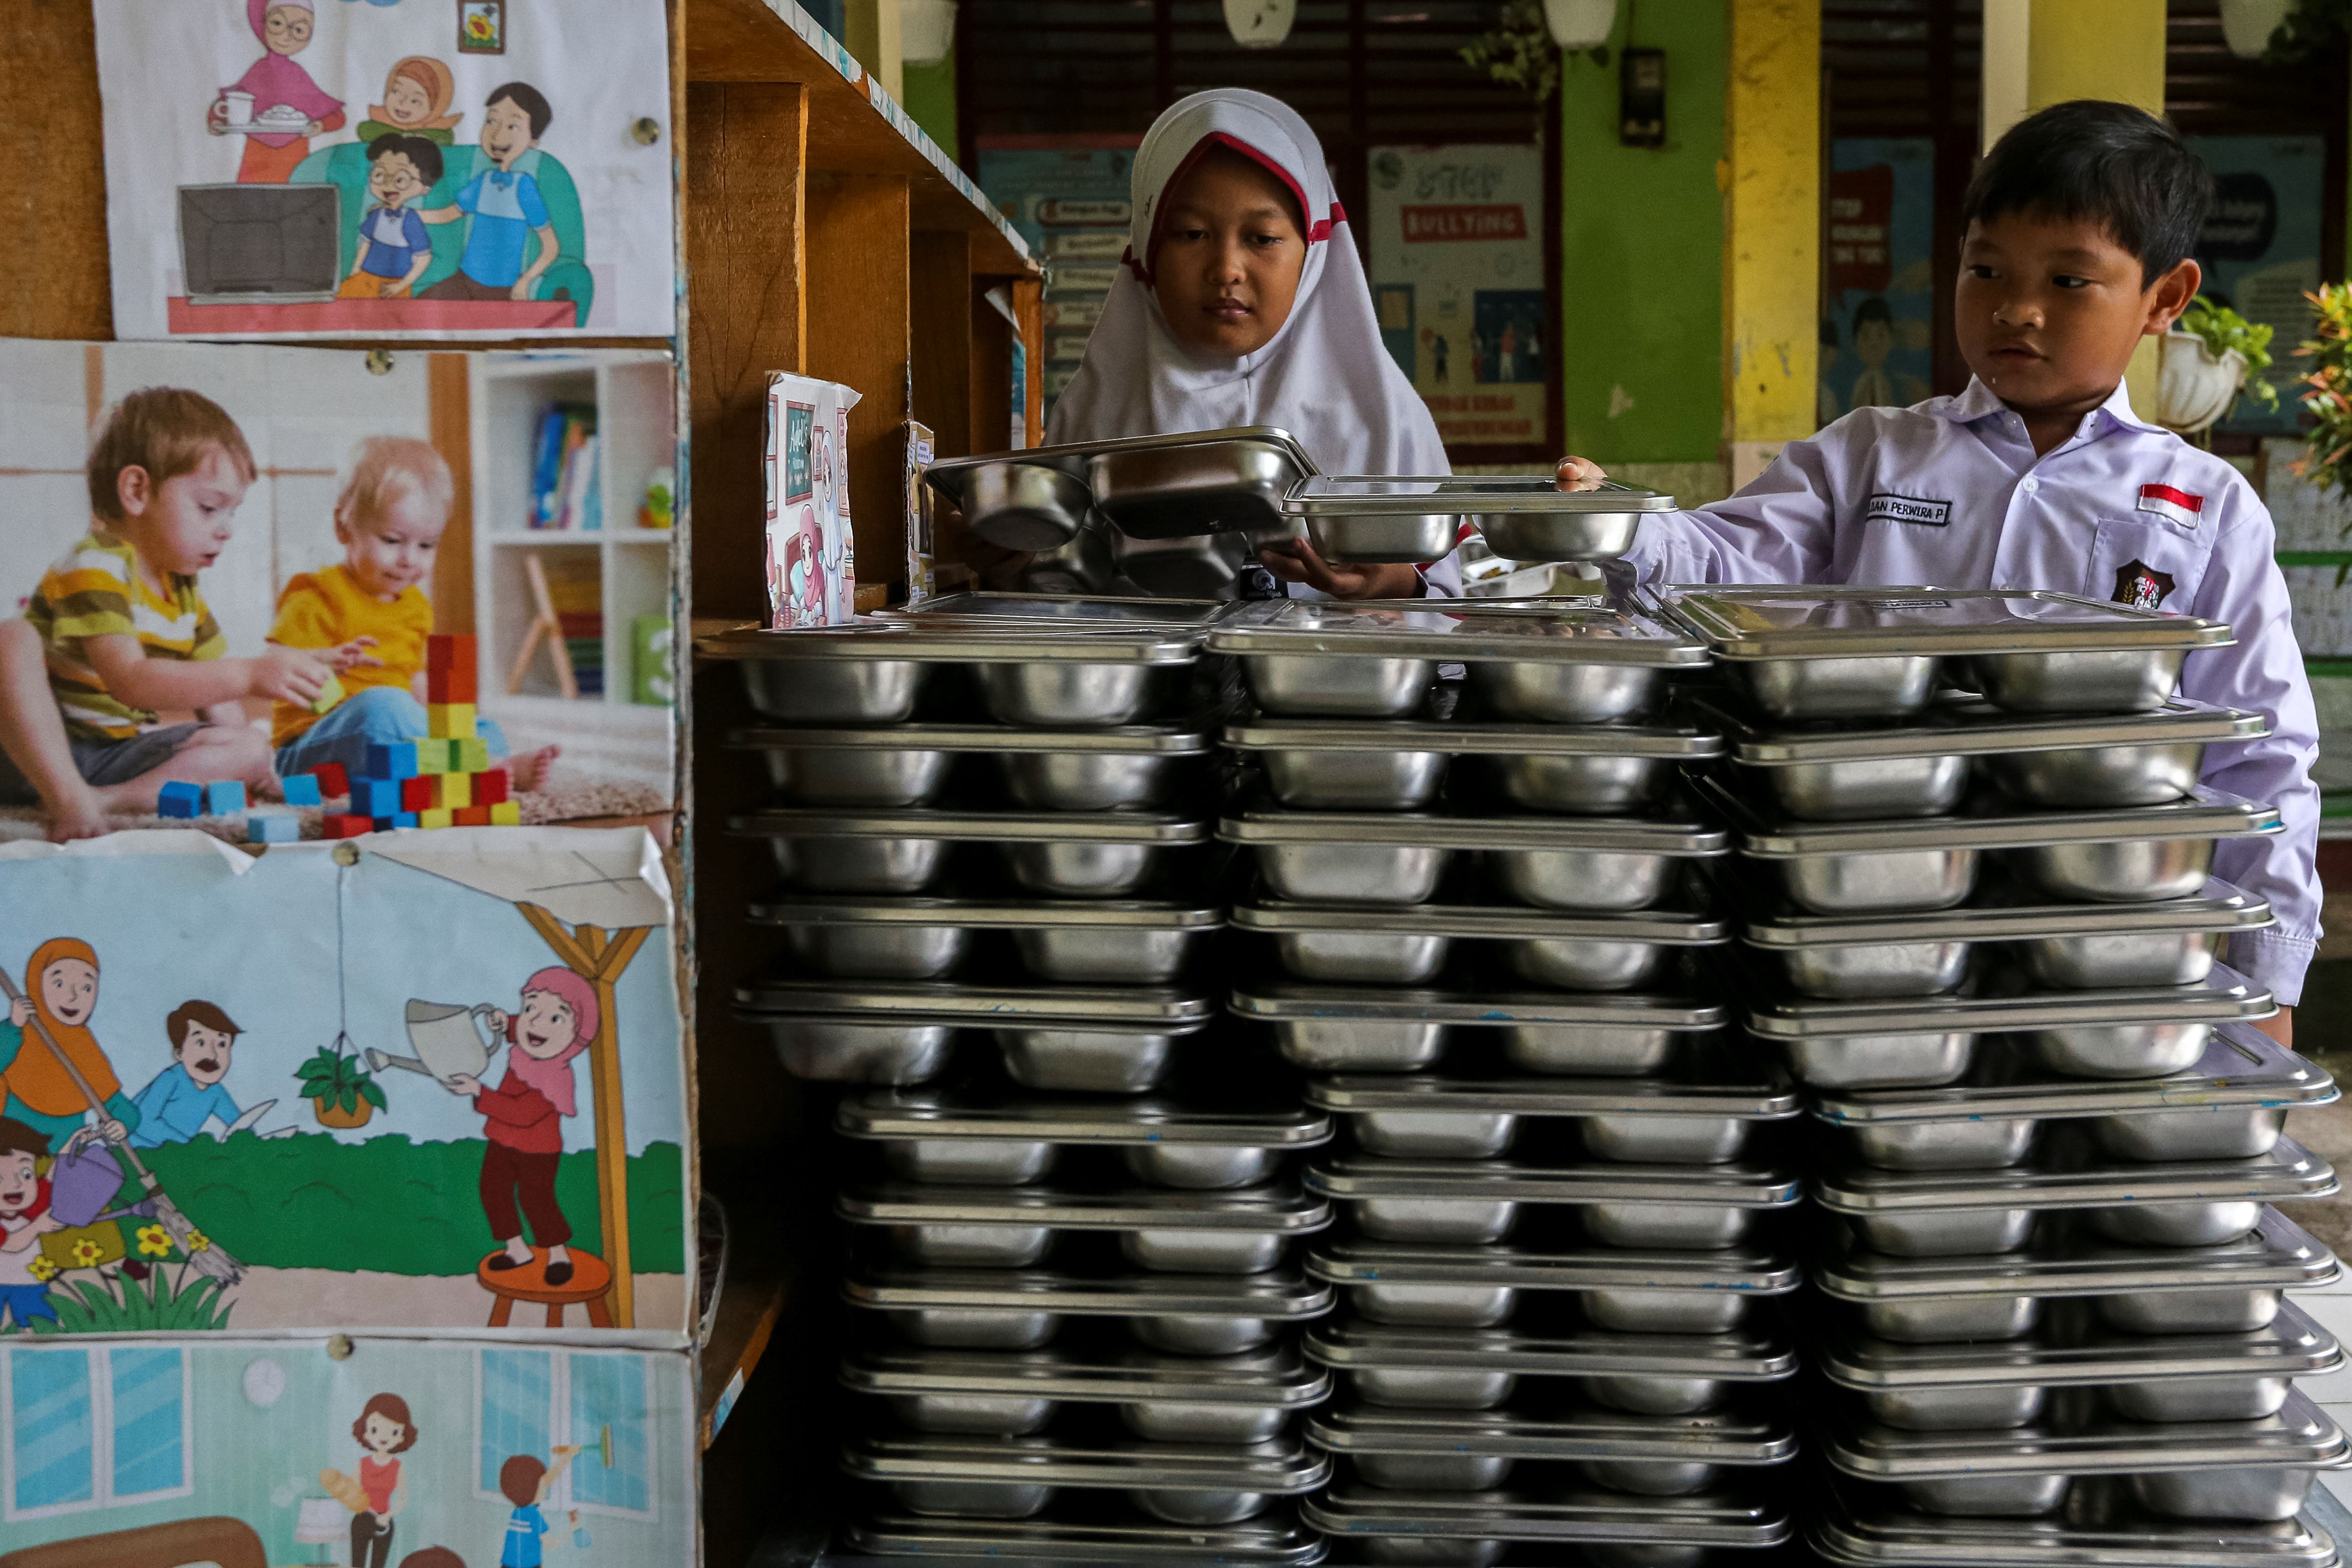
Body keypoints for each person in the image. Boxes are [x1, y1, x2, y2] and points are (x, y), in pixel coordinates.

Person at [1557, 100, 2319, 1043]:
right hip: (1863, 919)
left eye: (2069, 280)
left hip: (2093, 936)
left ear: (2164, 298)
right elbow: (1731, 562)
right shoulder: (1871, 456)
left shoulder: (2205, 505)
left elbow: (2262, 756)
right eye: (1984, 268)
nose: (2015, 308)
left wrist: (2269, 969)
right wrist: (1623, 528)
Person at [1047, 89, 1460, 600]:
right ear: (1148, 245)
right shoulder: (1095, 415)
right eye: (1191, 234)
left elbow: (1452, 618)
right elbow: (1053, 594)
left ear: (1313, 253)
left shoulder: (1386, 421)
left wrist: (1397, 586)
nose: (1225, 269)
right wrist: (1006, 564)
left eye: (1262, 239)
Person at [0, 388, 358, 839]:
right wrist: (249, 674)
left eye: (232, 513)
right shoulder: (95, 565)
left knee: (248, 745)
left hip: (112, 756)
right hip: (30, 750)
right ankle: (65, 796)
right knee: (12, 638)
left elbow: (220, 702)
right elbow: (130, 681)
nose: (226, 530)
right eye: (209, 508)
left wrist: (261, 768)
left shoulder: (183, 592)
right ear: (137, 491)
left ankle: (106, 800)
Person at [269, 438, 556, 790]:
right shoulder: (318, 597)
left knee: (480, 726)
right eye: (391, 541)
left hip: (391, 742)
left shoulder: (416, 606)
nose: (409, 558)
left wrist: (440, 722)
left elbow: (415, 678)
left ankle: (475, 763)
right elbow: (277, 667)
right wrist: (324, 667)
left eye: (426, 545)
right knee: (383, 707)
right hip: (312, 744)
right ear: (344, 528)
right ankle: (473, 764)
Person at [439, 968, 597, 1288]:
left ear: (576, 1036)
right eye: (529, 1008)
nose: (536, 1022)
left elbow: (522, 1113)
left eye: (556, 1019)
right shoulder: (530, 1046)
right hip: (502, 1140)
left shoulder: (554, 1077)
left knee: (535, 1198)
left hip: (538, 1150)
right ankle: (516, 1249)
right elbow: (527, 1032)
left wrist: (479, 1091)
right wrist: (505, 1022)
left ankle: (557, 1254)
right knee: (493, 1189)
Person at [421, 84, 562, 305]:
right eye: (490, 121)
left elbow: (551, 247)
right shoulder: (483, 181)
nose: (497, 133)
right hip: (464, 281)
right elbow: (446, 215)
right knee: (421, 308)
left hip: (500, 291)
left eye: (513, 126)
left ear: (533, 141)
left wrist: (525, 282)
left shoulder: (524, 187)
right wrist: (405, 212)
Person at [209, 0, 345, 184]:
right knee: (251, 203)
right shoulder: (258, 71)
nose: (285, 36)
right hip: (257, 156)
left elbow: (337, 117)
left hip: (295, 157)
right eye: (277, 24)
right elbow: (226, 105)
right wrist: (216, 121)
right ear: (263, 23)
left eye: (298, 30)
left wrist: (321, 126)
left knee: (295, 204)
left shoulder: (299, 76)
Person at [128, 1001, 245, 1149]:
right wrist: (190, 1146)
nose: (212, 1055)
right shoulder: (171, 1079)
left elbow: (240, 1126)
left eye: (222, 1045)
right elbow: (142, 1123)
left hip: (176, 1156)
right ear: (179, 1053)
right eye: (200, 1043)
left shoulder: (216, 1092)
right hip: (137, 1152)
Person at [342, 137, 445, 301]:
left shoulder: (410, 220)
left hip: (393, 284)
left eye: (400, 179)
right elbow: (366, 243)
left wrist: (401, 286)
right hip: (365, 277)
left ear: (425, 188)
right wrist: (355, 271)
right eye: (379, 174)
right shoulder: (376, 215)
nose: (388, 184)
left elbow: (424, 258)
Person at [330, 1391, 418, 1568]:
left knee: (378, 1565)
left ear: (402, 1436)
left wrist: (387, 1516)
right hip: (362, 1520)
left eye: (393, 1431)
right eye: (375, 1429)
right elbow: (352, 1491)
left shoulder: (397, 1467)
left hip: (384, 1521)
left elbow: (403, 1499)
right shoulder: (362, 1464)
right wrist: (356, 1502)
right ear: (366, 1432)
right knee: (357, 1564)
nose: (383, 1437)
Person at [0, 1117, 62, 1332]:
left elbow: (53, 1176)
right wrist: (38, 1226)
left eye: (26, 1174)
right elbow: (10, 1244)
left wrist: (74, 1142)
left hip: (30, 1283)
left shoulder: (30, 1210)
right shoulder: (33, 1219)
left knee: (40, 1329)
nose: (16, 1184)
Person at [358, 56, 466, 145]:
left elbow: (443, 141)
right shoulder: (377, 124)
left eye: (415, 101)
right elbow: (365, 130)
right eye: (395, 91)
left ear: (435, 108)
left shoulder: (439, 133)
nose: (402, 102)